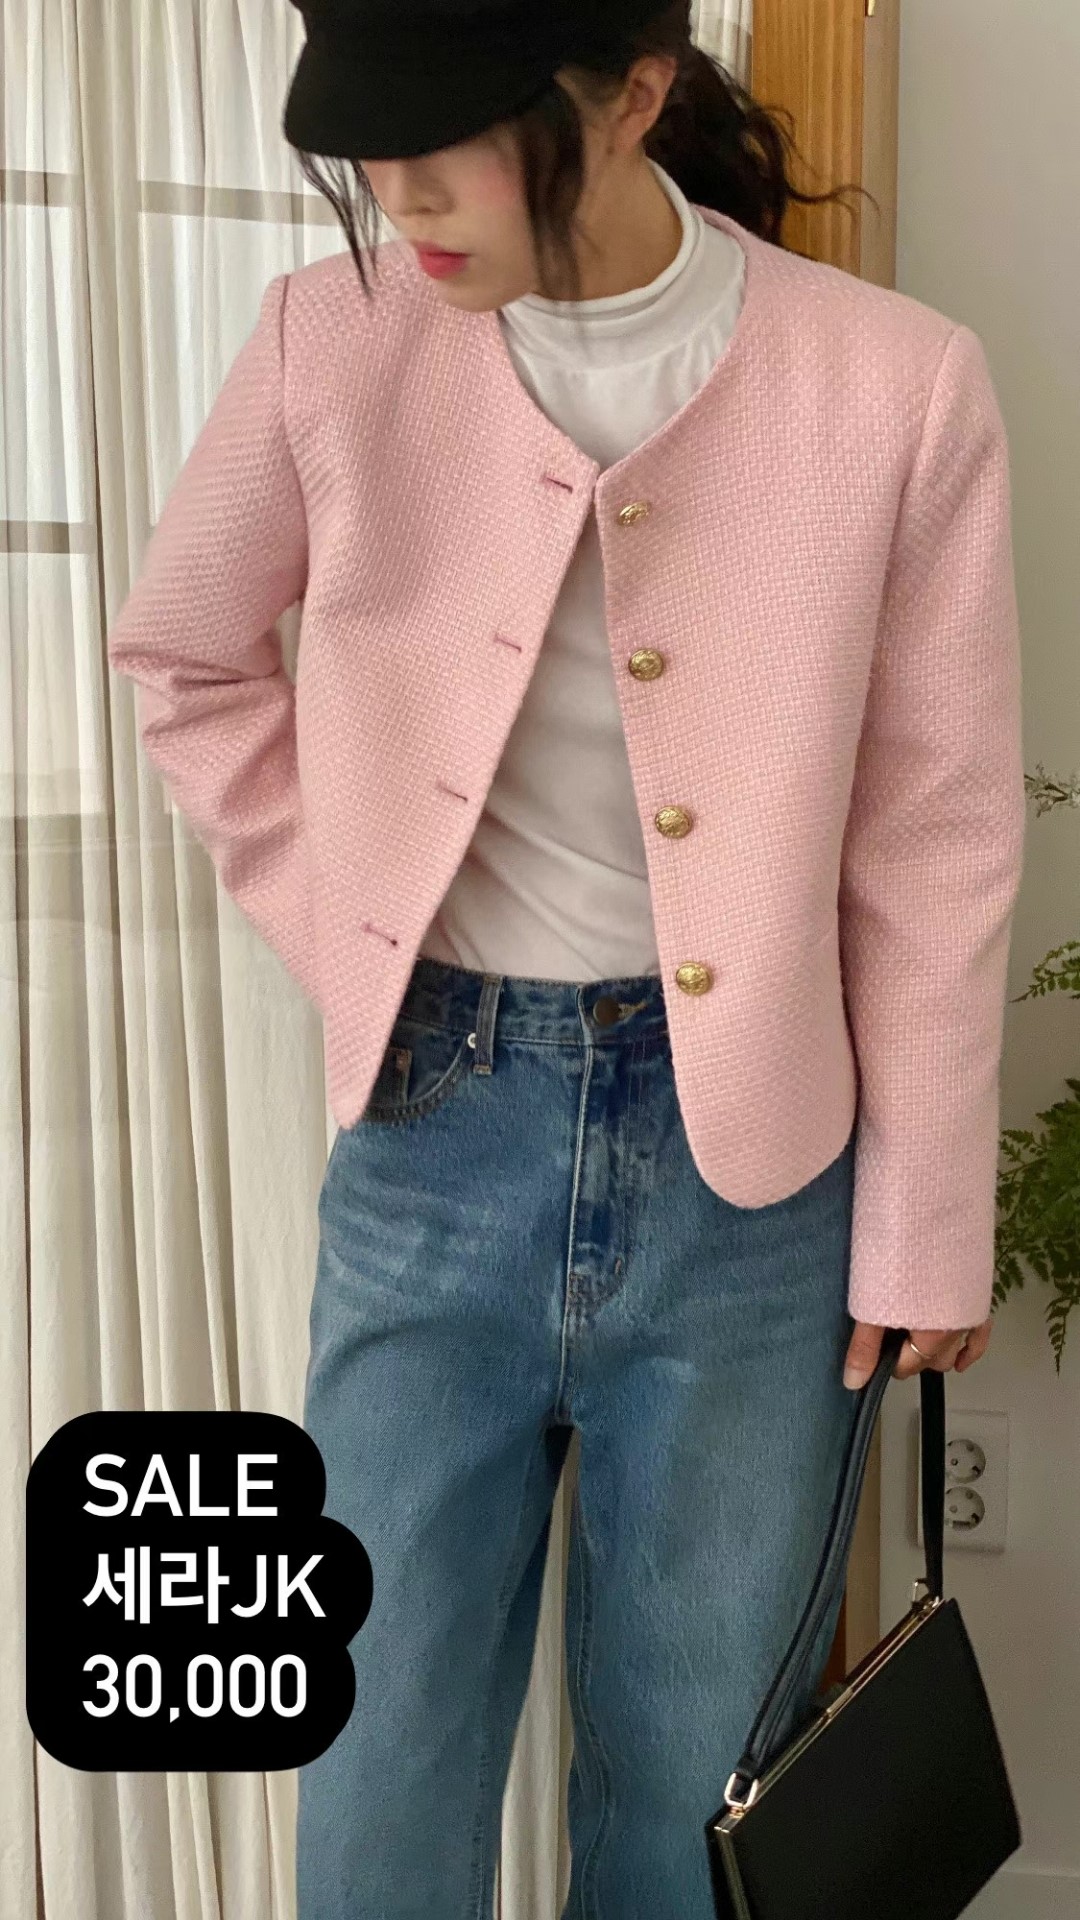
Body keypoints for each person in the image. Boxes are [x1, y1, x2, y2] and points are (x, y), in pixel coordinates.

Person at [105, 1, 1026, 1914]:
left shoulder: (896, 386)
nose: (401, 194)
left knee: (698, 1798)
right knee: (372, 1776)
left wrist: (931, 1211)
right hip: (430, 1136)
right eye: (370, 145)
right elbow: (183, 658)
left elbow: (933, 833)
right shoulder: (330, 341)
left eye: (451, 135)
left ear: (633, 95)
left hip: (754, 1184)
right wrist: (352, 925)